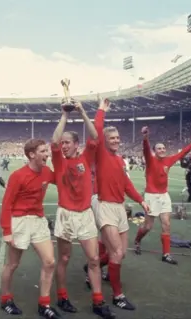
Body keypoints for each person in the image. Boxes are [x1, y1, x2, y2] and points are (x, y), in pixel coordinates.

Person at [50, 101, 114, 318]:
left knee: (94, 260)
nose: (64, 145)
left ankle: (98, 302)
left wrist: (83, 112)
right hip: (65, 215)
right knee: (65, 258)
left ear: (77, 144)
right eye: (63, 143)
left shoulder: (86, 157)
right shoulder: (59, 160)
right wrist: (65, 116)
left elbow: (96, 137)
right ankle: (62, 296)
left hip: (85, 214)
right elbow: (54, 140)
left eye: (68, 142)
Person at [93, 98, 149, 311]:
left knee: (121, 253)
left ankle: (94, 268)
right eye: (112, 138)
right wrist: (101, 110)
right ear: (105, 140)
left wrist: (141, 200)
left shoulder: (119, 159)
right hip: (105, 207)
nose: (116, 140)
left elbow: (126, 184)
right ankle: (118, 296)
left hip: (119, 208)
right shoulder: (101, 154)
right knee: (116, 252)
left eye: (118, 137)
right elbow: (97, 131)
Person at [0, 139, 61, 319]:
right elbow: (7, 204)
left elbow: (64, 179)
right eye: (43, 151)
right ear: (32, 154)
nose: (46, 154)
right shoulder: (18, 176)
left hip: (39, 220)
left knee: (49, 262)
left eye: (46, 151)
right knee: (12, 264)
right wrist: (6, 231)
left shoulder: (47, 171)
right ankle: (6, 298)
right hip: (20, 221)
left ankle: (44, 304)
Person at [134, 127, 191, 264]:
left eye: (163, 148)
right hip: (151, 196)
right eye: (159, 148)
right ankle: (137, 240)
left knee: (166, 224)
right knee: (148, 226)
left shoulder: (169, 160)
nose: (162, 150)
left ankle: (166, 254)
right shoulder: (150, 159)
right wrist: (145, 137)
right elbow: (145, 149)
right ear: (155, 151)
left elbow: (184, 152)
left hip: (164, 196)